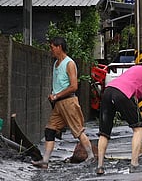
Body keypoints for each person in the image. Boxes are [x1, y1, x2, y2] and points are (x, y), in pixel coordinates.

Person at [32, 36, 95, 169]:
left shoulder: (69, 63)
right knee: (49, 130)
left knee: (78, 130)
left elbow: (74, 86)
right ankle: (45, 161)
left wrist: (57, 95)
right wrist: (54, 95)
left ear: (59, 47)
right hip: (58, 104)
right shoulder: (56, 64)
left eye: (52, 47)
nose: (51, 50)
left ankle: (91, 157)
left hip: (68, 102)